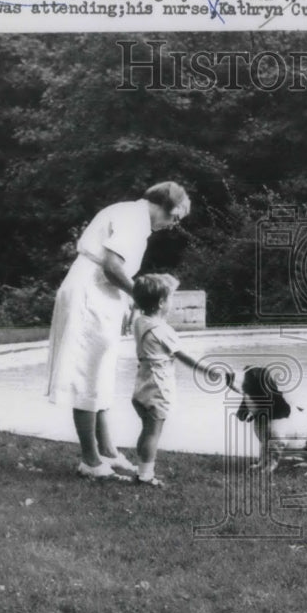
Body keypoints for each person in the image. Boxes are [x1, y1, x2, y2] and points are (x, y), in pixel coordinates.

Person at [46, 181, 191, 479]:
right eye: (175, 219)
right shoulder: (134, 220)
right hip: (90, 294)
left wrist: (126, 302)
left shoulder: (131, 214)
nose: (171, 226)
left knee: (100, 375)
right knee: (87, 375)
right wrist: (141, 298)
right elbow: (112, 267)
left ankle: (108, 452)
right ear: (168, 208)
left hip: (100, 293)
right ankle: (90, 460)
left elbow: (115, 270)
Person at [129, 273, 233, 486]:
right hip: (157, 386)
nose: (172, 302)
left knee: (147, 429)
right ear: (161, 303)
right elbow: (184, 356)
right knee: (153, 432)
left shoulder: (140, 322)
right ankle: (145, 476)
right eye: (170, 298)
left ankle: (141, 469)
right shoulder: (162, 329)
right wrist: (208, 370)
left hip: (142, 385)